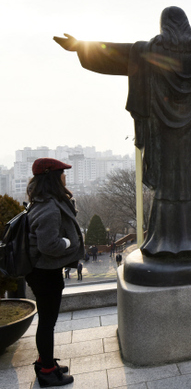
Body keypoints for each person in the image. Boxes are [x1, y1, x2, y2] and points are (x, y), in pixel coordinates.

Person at [54, 7, 191, 259]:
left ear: (163, 26)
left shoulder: (147, 52)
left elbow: (113, 54)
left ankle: (164, 241)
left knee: (166, 191)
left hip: (163, 143)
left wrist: (81, 45)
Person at [26, 158, 82, 387]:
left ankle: (45, 360)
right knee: (47, 322)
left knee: (47, 321)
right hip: (44, 273)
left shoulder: (43, 201)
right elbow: (48, 245)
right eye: (62, 173)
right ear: (53, 177)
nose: (65, 177)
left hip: (43, 271)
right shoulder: (49, 208)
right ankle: (47, 371)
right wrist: (69, 243)